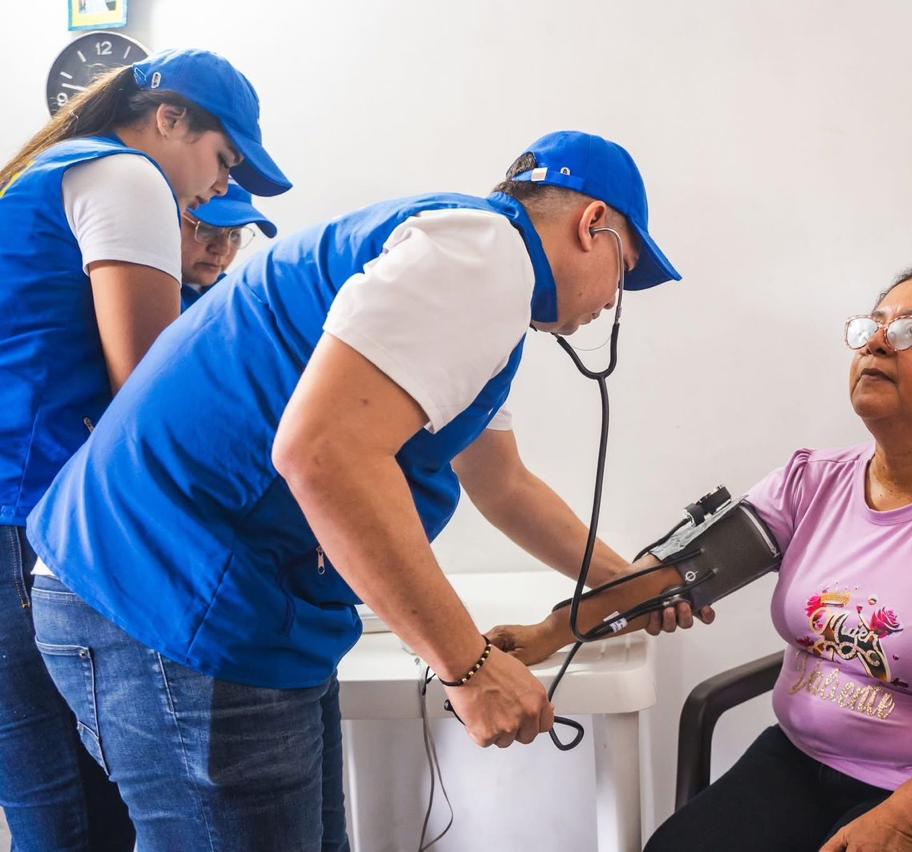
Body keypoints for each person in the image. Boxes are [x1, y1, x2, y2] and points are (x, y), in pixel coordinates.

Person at [25, 130, 688, 849]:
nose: (612, 301)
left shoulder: (465, 278)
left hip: (218, 599)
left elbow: (504, 485)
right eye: (624, 271)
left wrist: (631, 583)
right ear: (592, 224)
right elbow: (323, 454)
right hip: (172, 596)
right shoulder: (483, 258)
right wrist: (467, 667)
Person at [495, 267, 912, 851]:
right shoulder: (810, 482)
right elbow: (682, 571)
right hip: (801, 760)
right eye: (870, 327)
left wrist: (903, 823)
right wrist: (553, 631)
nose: (877, 343)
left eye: (910, 330)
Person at [0, 48, 288, 850]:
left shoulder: (49, 174)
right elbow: (149, 398)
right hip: (27, 522)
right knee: (81, 820)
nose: (221, 187)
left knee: (52, 815)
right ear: (169, 119)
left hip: (16, 514)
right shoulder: (127, 177)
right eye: (223, 159)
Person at [179, 180, 277, 309]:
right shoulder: (155, 297)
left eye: (235, 234)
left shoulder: (242, 299)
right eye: (206, 229)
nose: (223, 249)